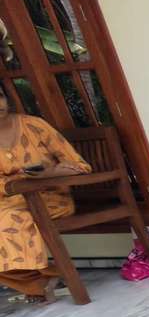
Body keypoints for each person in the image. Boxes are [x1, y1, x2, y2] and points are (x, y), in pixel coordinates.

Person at [0, 92, 91, 303]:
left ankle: (46, 281)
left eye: (0, 97)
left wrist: (50, 173)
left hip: (51, 198)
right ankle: (44, 281)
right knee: (7, 215)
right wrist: (19, 180)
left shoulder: (34, 125)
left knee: (11, 218)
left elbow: (79, 166)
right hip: (10, 200)